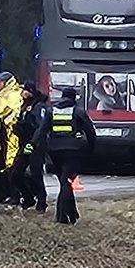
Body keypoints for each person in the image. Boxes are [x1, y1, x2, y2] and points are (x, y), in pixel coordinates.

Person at [46, 86, 97, 224]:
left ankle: (71, 214)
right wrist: (90, 149)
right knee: (65, 182)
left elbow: (42, 130)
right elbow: (90, 132)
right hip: (72, 151)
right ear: (74, 98)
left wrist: (37, 147)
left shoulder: (52, 110)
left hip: (55, 152)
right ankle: (63, 217)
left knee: (64, 182)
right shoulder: (78, 111)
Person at [10, 82, 49, 212]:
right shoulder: (24, 106)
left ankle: (41, 201)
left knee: (36, 173)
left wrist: (33, 143)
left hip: (35, 144)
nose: (23, 93)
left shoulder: (39, 106)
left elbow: (40, 127)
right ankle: (28, 197)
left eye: (25, 91)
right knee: (15, 173)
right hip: (24, 143)